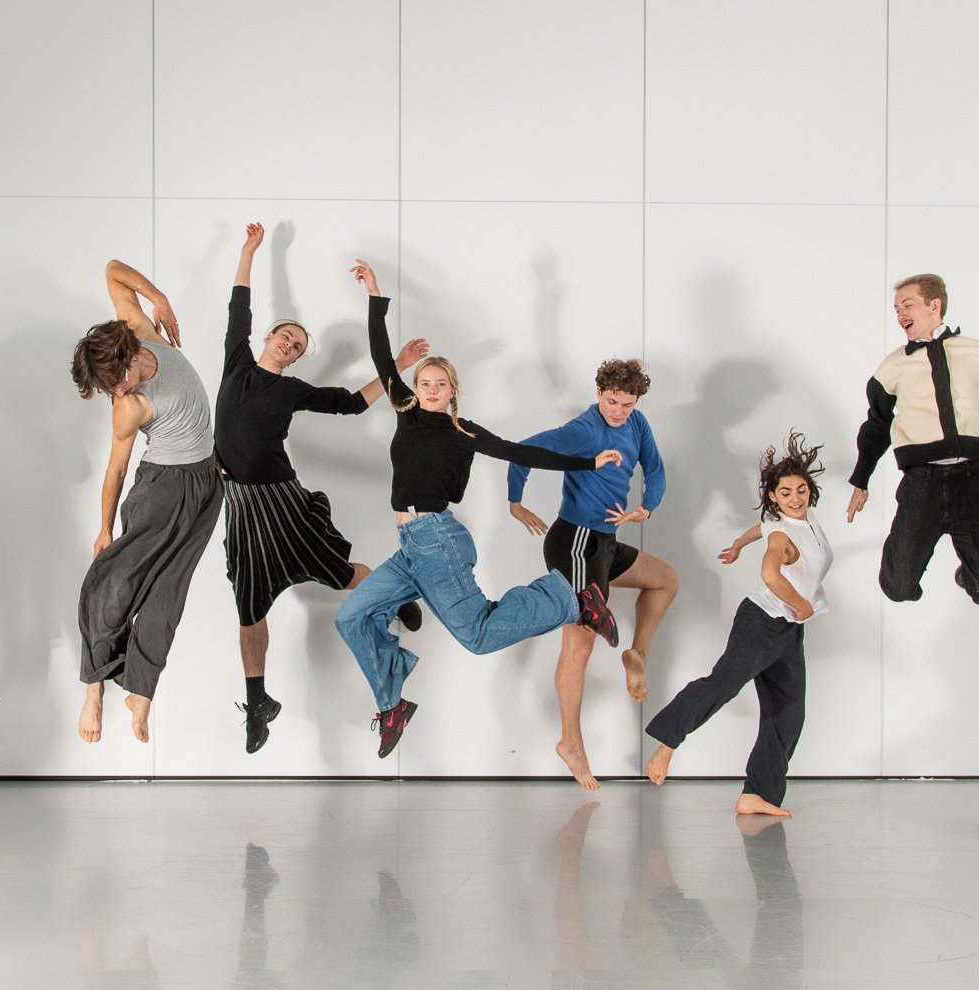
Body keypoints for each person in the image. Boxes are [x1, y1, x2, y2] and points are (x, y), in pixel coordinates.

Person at [334, 259, 622, 757]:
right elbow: (383, 358)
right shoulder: (404, 411)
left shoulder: (464, 432)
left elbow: (522, 451)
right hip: (411, 547)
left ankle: (574, 599)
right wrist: (375, 294)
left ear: (452, 392)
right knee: (352, 617)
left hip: (438, 541)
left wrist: (588, 459)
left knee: (480, 636)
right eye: (424, 382)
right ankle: (393, 703)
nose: (429, 389)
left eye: (439, 384)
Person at [215, 222, 429, 752]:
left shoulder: (292, 390)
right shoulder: (237, 361)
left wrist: (395, 367)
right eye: (286, 337)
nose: (290, 346)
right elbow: (238, 303)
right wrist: (250, 251)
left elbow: (352, 404)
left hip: (282, 500)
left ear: (296, 358)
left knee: (335, 571)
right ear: (268, 337)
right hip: (240, 506)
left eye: (298, 346)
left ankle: (398, 591)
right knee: (248, 605)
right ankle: (258, 701)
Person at [70, 259, 223, 745]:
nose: (117, 391)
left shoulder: (139, 329)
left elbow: (113, 269)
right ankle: (94, 685)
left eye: (119, 378)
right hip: (162, 491)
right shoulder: (128, 405)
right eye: (109, 387)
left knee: (168, 592)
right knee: (112, 588)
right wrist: (104, 528)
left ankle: (140, 691)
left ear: (131, 352)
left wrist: (159, 299)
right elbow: (115, 470)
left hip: (206, 485)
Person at [507, 358, 679, 789]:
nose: (619, 410)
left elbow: (654, 469)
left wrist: (648, 505)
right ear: (598, 392)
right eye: (611, 401)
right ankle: (571, 743)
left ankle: (637, 653)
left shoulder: (637, 424)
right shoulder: (584, 430)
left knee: (665, 580)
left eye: (627, 402)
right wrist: (516, 501)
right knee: (579, 644)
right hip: (575, 543)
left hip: (603, 542)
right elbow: (521, 451)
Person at [645, 432, 831, 818]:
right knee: (724, 683)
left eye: (800, 490)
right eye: (785, 493)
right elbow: (770, 575)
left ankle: (757, 794)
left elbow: (758, 529)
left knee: (789, 710)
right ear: (773, 498)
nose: (796, 498)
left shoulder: (798, 521)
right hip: (761, 622)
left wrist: (738, 543)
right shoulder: (784, 532)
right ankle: (666, 743)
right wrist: (802, 605)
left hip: (787, 630)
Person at [846, 275, 979, 604]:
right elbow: (876, 425)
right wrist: (861, 479)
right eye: (896, 309)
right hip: (923, 483)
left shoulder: (977, 352)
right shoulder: (893, 365)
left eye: (907, 305)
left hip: (975, 478)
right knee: (898, 587)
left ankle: (969, 573)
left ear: (934, 305)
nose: (900, 315)